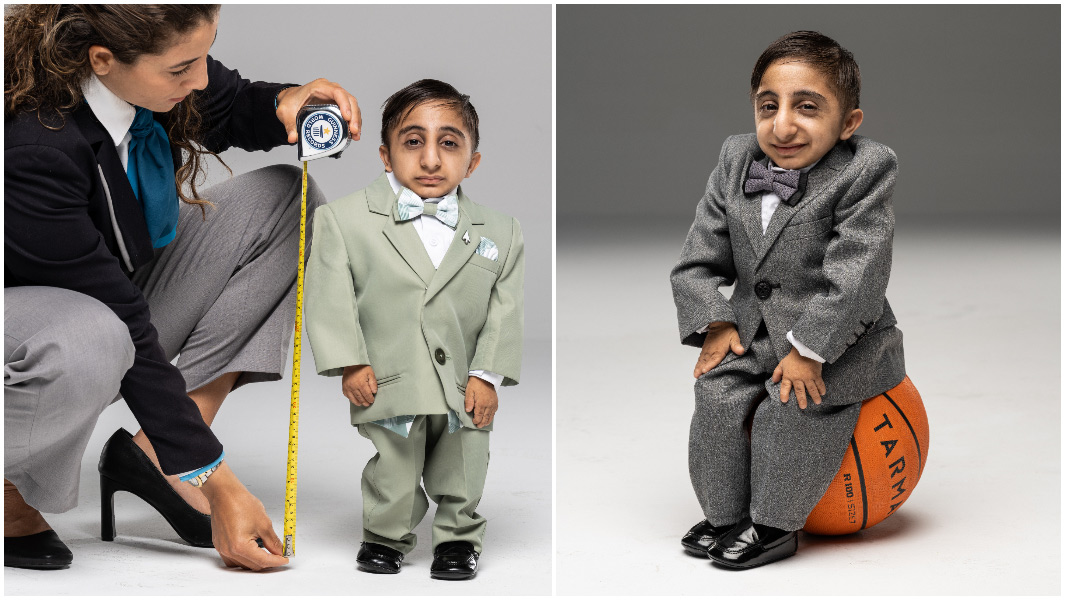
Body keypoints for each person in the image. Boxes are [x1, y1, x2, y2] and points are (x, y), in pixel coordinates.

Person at [4, 4, 361, 571]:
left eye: (204, 55)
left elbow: (231, 102)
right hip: (28, 328)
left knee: (287, 202)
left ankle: (157, 456)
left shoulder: (142, 71)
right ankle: (9, 490)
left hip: (101, 293)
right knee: (97, 335)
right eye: (180, 69)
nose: (199, 79)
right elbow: (123, 320)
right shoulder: (34, 150)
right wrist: (219, 481)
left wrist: (286, 102)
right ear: (102, 59)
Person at [669, 31, 906, 569]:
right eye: (768, 106)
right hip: (754, 331)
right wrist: (716, 321)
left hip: (840, 342)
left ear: (848, 123)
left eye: (807, 107)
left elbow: (857, 277)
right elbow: (697, 259)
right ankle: (725, 515)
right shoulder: (736, 160)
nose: (782, 126)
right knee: (717, 394)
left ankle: (775, 525)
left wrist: (809, 350)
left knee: (791, 407)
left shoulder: (865, 170)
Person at [304, 79, 524, 580]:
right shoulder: (344, 220)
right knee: (394, 465)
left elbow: (505, 309)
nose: (430, 159)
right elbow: (330, 298)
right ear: (385, 155)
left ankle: (458, 539)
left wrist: (487, 374)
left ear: (472, 161)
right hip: (390, 375)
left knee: (464, 461)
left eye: (449, 143)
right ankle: (385, 536)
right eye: (412, 141)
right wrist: (350, 361)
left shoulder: (501, 231)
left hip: (464, 381)